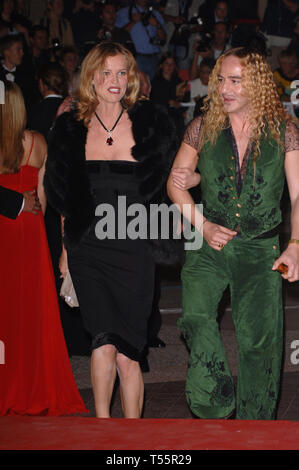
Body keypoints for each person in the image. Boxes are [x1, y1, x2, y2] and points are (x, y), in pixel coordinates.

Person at [44, 41, 178, 418]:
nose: (114, 80)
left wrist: (189, 177)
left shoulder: (150, 124)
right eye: (106, 72)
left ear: (132, 77)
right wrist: (66, 252)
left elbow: (172, 181)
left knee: (128, 352)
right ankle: (101, 432)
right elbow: (67, 196)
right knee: (101, 342)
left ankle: (130, 438)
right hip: (88, 249)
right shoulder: (70, 127)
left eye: (122, 72)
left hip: (135, 248)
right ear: (91, 77)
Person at [167, 47, 299, 420]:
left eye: (235, 81)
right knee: (194, 318)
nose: (225, 88)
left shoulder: (285, 132)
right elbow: (175, 184)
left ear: (256, 84)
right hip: (206, 244)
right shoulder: (201, 126)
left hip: (260, 249)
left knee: (260, 345)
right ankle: (215, 398)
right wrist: (203, 224)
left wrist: (294, 246)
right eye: (221, 79)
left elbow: (298, 193)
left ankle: (254, 430)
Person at [0, 81, 87, 416]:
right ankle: (32, 385)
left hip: (6, 234)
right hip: (30, 235)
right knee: (31, 312)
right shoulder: (37, 142)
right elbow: (44, 200)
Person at [115, 0, 167, 80]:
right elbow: (117, 35)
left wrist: (158, 25)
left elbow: (164, 39)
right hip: (135, 59)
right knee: (134, 87)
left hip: (154, 58)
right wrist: (133, 22)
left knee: (152, 88)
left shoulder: (155, 14)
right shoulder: (124, 13)